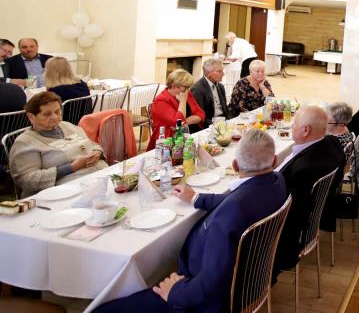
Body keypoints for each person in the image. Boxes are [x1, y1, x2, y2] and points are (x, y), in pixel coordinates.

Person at [95, 129, 288, 313]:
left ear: (235, 166)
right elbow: (237, 199)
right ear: (274, 160)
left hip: (212, 300)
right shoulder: (277, 181)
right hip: (254, 281)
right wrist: (196, 198)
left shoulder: (230, 214)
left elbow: (212, 280)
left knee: (103, 310)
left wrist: (175, 292)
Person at [273, 106, 345, 282]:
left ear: (305, 130)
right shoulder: (332, 143)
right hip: (316, 216)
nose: (292, 127)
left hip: (288, 233)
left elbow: (282, 206)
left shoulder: (303, 170)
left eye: (294, 124)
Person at [9, 92, 106, 198]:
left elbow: (93, 144)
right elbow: (27, 180)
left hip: (97, 180)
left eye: (57, 111)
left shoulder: (68, 126)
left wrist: (97, 152)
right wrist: (72, 167)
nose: (55, 117)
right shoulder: (25, 142)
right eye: (47, 114)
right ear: (31, 117)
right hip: (63, 193)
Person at [147, 69, 205, 151]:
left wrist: (185, 122)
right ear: (174, 86)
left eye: (189, 87)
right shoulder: (161, 100)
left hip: (190, 134)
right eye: (186, 87)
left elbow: (200, 114)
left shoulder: (186, 93)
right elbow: (178, 121)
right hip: (169, 141)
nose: (188, 90)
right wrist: (183, 101)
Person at [190, 58, 231, 127]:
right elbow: (200, 116)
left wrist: (230, 121)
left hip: (223, 121)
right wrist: (216, 125)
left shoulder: (220, 86)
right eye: (219, 71)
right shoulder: (197, 89)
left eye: (222, 71)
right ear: (209, 73)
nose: (223, 74)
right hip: (210, 125)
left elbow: (225, 110)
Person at [326, 102, 355, 169]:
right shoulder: (345, 129)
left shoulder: (335, 143)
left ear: (340, 124)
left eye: (327, 122)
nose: (324, 123)